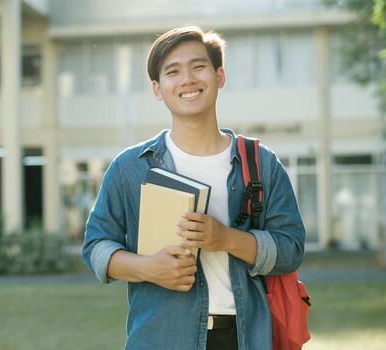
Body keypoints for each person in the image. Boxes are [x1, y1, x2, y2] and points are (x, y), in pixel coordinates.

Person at [82, 25, 306, 350]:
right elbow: (96, 247)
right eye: (173, 72)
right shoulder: (131, 168)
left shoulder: (260, 163)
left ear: (220, 76)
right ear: (158, 89)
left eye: (198, 66)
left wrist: (227, 239)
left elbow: (292, 250)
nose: (187, 79)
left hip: (244, 339)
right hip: (161, 339)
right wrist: (148, 268)